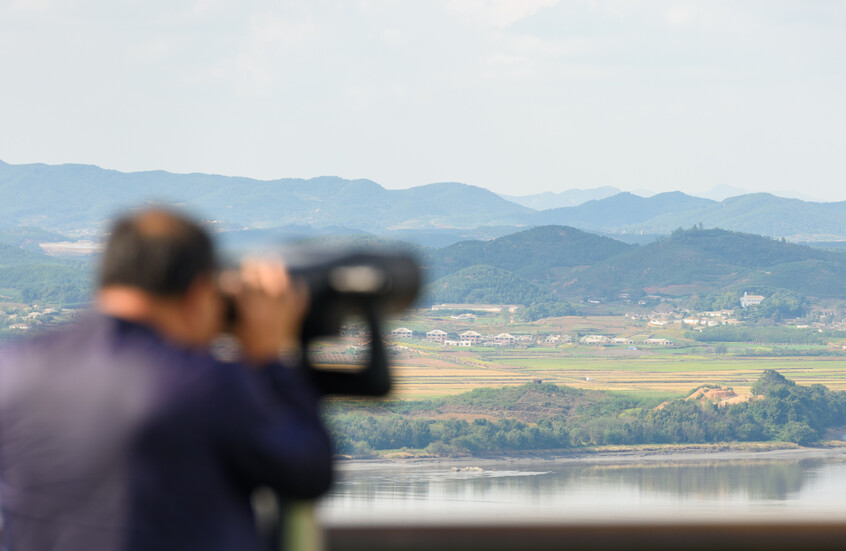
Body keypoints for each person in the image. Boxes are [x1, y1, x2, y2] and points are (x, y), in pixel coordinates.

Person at [0, 208, 333, 551]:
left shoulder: (13, 370)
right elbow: (307, 472)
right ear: (200, 292)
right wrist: (268, 359)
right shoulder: (204, 384)